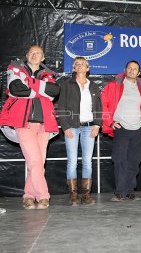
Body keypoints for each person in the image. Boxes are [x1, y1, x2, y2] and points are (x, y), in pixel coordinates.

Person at [0, 45, 60, 209]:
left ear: (43, 58)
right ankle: (43, 196)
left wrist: (31, 83)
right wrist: (42, 90)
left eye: (38, 53)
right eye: (32, 52)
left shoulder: (48, 73)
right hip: (23, 123)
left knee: (39, 162)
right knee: (34, 161)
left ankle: (28, 195)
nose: (34, 55)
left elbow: (54, 90)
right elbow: (16, 89)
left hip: (44, 124)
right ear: (27, 55)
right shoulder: (15, 69)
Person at [101, 60, 141, 201]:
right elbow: (103, 104)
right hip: (121, 127)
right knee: (119, 159)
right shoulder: (113, 85)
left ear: (138, 73)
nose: (132, 70)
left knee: (134, 160)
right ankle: (120, 191)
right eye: (129, 68)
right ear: (125, 69)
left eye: (135, 69)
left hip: (137, 129)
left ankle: (130, 190)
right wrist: (109, 122)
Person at [58, 57, 102, 205]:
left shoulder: (94, 86)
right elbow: (61, 107)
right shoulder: (66, 85)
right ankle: (73, 196)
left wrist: (97, 125)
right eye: (77, 64)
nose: (80, 66)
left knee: (87, 162)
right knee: (72, 162)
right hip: (72, 127)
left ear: (88, 68)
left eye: (82, 64)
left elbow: (98, 108)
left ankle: (86, 195)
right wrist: (65, 127)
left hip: (89, 127)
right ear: (74, 68)